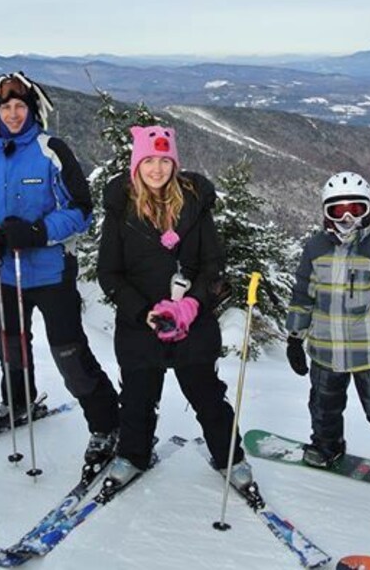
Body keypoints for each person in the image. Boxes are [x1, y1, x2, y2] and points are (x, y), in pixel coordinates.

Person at [0, 72, 120, 469]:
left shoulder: (52, 151)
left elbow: (82, 211)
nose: (13, 114)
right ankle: (18, 402)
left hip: (51, 272)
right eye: (6, 107)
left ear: (33, 110)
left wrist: (37, 232)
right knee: (10, 346)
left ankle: (107, 422)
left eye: (20, 107)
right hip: (8, 274)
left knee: (68, 352)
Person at [96, 125, 253, 495]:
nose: (157, 169)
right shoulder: (121, 210)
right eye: (148, 160)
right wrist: (143, 312)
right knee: (137, 396)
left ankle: (230, 457)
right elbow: (109, 273)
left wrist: (192, 304)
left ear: (174, 164)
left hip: (191, 321)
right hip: (140, 324)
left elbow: (213, 265)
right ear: (137, 164)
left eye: (164, 161)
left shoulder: (195, 206)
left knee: (207, 395)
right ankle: (133, 455)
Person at [285, 171, 370, 489]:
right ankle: (327, 446)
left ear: (368, 210)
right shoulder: (316, 248)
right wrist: (294, 337)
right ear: (325, 213)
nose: (347, 218)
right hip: (325, 348)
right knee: (323, 405)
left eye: (356, 210)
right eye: (337, 210)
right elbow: (303, 294)